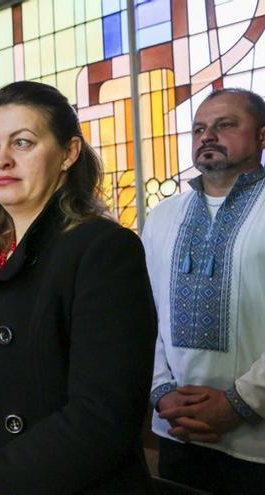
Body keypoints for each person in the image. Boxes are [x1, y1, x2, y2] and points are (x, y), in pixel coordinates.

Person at [0, 81, 157, 494]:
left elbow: (101, 419)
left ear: (69, 153)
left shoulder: (104, 250)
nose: (1, 160)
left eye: (22, 143)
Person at [144, 88, 265, 494]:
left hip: (257, 441)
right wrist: (162, 394)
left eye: (225, 125)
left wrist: (240, 402)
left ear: (262, 137)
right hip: (177, 431)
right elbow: (143, 314)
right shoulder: (162, 216)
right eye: (198, 129)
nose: (207, 136)